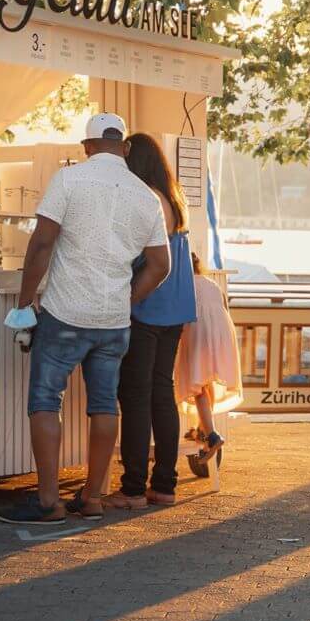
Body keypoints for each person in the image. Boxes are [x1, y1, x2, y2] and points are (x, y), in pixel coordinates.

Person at [0, 113, 170, 525]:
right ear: (125, 148)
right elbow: (160, 265)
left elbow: (41, 245)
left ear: (87, 146)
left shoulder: (69, 181)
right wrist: (127, 299)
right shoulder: (147, 197)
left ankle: (47, 500)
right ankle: (92, 497)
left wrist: (24, 304)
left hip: (65, 313)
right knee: (105, 404)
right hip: (113, 320)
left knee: (44, 399)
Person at [104, 133, 197, 510]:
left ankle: (132, 487)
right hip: (174, 310)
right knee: (162, 393)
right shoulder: (175, 197)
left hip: (146, 306)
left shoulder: (145, 198)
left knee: (136, 396)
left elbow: (135, 255)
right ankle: (164, 485)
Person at [175, 252, 243, 465]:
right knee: (206, 380)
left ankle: (212, 435)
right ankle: (202, 429)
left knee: (198, 385)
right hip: (222, 334)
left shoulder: (184, 285)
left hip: (200, 331)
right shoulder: (212, 283)